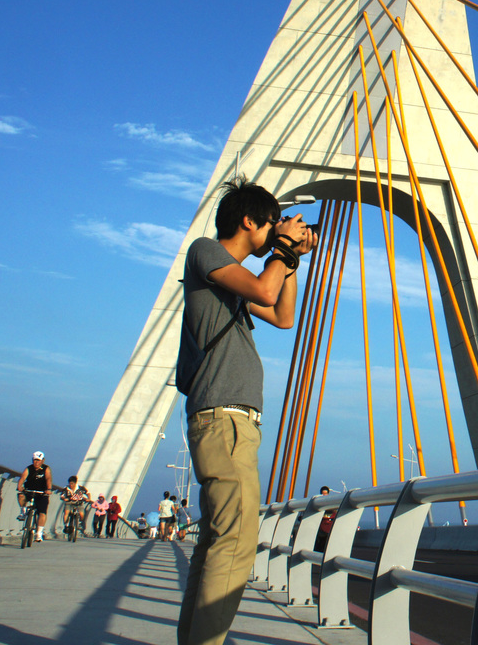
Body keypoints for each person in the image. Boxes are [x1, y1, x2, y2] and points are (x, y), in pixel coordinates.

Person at [176, 176, 316, 645]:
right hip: (223, 418)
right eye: (272, 223)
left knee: (219, 542)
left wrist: (290, 258)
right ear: (249, 221)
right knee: (235, 542)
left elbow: (280, 313)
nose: (277, 230)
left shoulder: (234, 284)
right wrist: (283, 250)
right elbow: (262, 290)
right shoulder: (206, 252)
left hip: (232, 422)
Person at [17, 452, 53, 541]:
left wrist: (48, 489)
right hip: (29, 490)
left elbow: (48, 478)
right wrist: (20, 486)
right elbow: (23, 478)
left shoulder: (46, 469)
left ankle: (39, 533)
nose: (36, 462)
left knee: (42, 512)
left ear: (43, 461)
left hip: (42, 493)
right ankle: (23, 512)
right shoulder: (29, 468)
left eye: (38, 461)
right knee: (21, 496)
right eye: (35, 460)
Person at [314, 485, 335, 553]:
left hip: (328, 528)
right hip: (320, 528)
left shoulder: (333, 504)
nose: (324, 495)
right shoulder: (317, 503)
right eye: (323, 494)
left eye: (325, 494)